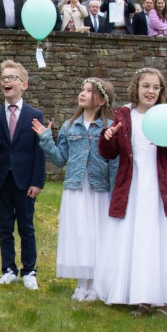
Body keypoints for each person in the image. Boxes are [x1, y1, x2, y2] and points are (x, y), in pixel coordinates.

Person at [96, 68, 167, 314]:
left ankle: (162, 297)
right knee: (137, 240)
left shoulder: (166, 116)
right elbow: (108, 153)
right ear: (136, 87)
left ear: (161, 91)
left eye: (156, 87)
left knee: (160, 241)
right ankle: (141, 296)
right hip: (131, 189)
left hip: (160, 190)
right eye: (146, 86)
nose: (151, 91)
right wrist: (107, 136)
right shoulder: (123, 114)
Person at [35, 78, 116, 301]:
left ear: (101, 100)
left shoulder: (109, 128)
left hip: (100, 191)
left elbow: (113, 162)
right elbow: (60, 160)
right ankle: (82, 284)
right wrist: (46, 139)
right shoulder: (70, 127)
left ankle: (97, 285)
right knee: (80, 234)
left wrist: (116, 191)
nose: (82, 93)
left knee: (96, 235)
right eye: (82, 89)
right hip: (76, 189)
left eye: (89, 91)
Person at [0, 61, 45, 289]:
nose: (6, 81)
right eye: (3, 78)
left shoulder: (34, 114)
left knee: (26, 226)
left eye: (12, 78)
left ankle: (29, 270)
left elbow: (38, 151)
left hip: (25, 181)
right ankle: (8, 269)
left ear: (24, 85)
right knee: (4, 226)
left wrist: (37, 181)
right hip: (1, 179)